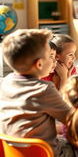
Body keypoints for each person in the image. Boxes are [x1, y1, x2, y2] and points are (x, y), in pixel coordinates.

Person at [0, 29, 73, 157]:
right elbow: (72, 119)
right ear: (39, 64)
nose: (54, 60)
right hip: (46, 152)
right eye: (50, 56)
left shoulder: (5, 83)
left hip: (11, 151)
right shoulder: (44, 89)